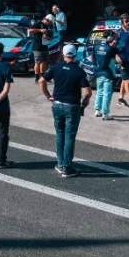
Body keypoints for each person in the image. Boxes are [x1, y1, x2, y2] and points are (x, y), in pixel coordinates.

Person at [39, 44, 91, 177]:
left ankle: (60, 163)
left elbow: (41, 81)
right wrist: (86, 100)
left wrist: (48, 96)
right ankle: (67, 167)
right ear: (75, 55)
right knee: (69, 136)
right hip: (72, 106)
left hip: (57, 104)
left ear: (63, 55)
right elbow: (87, 91)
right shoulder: (79, 71)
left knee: (60, 134)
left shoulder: (56, 68)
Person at [92, 30, 118, 120]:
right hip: (108, 73)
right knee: (107, 93)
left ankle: (97, 110)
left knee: (99, 91)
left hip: (99, 72)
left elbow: (94, 61)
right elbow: (121, 50)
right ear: (109, 38)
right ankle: (105, 113)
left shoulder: (96, 47)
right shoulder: (110, 49)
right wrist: (117, 41)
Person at [28, 16, 50, 85]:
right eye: (49, 22)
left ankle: (43, 77)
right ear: (46, 19)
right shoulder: (38, 23)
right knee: (37, 62)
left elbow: (48, 36)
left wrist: (48, 37)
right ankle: (37, 78)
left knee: (44, 61)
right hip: (37, 46)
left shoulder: (46, 26)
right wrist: (40, 30)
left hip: (44, 45)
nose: (49, 23)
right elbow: (30, 30)